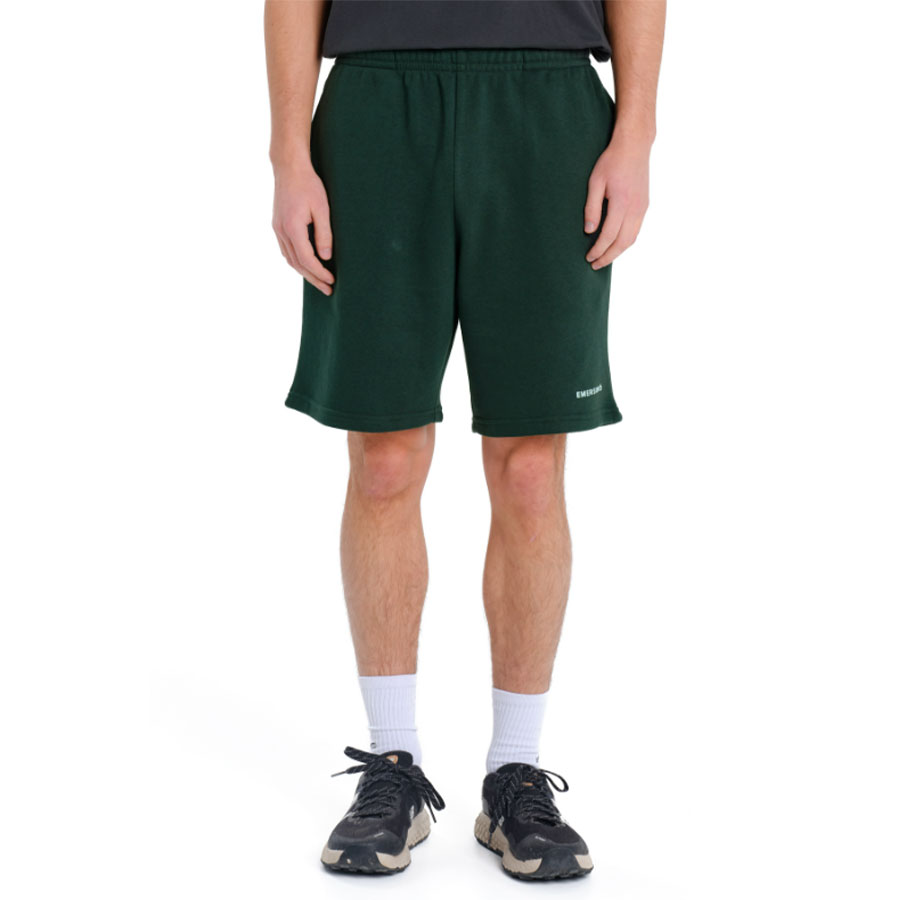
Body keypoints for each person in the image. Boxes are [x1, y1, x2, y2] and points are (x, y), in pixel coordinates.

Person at [264, 0, 665, 880]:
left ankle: (515, 774)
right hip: (376, 103)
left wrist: (635, 134)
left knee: (530, 468)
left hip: (549, 103)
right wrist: (289, 153)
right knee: (383, 459)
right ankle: (393, 766)